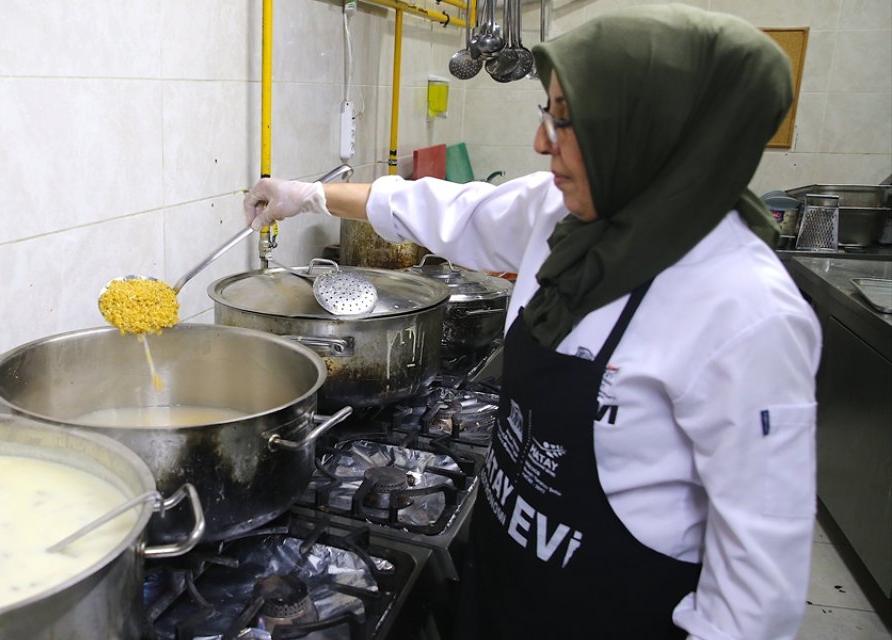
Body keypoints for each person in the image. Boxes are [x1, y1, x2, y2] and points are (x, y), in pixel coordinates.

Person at [243, 5, 821, 639]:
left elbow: (756, 601)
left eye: (569, 121)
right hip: (504, 580)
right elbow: (447, 209)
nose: (544, 142)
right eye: (547, 113)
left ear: (656, 132)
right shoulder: (565, 215)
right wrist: (310, 196)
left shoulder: (748, 314)